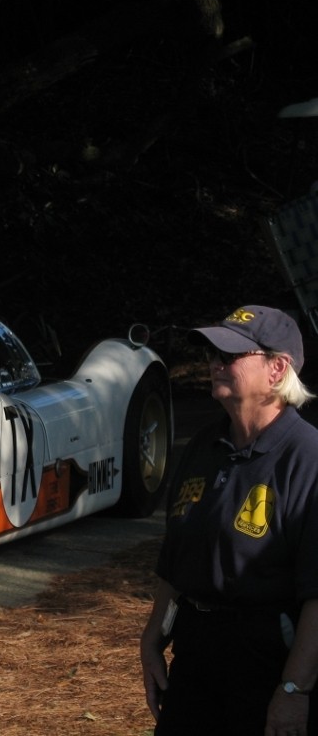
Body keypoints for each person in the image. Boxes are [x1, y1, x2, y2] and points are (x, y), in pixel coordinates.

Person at [140, 305, 318, 736]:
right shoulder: (205, 445)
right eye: (212, 353)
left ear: (277, 369)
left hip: (266, 659)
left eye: (231, 355)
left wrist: (294, 690)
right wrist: (151, 641)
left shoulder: (307, 458)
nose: (214, 363)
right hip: (196, 651)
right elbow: (177, 559)